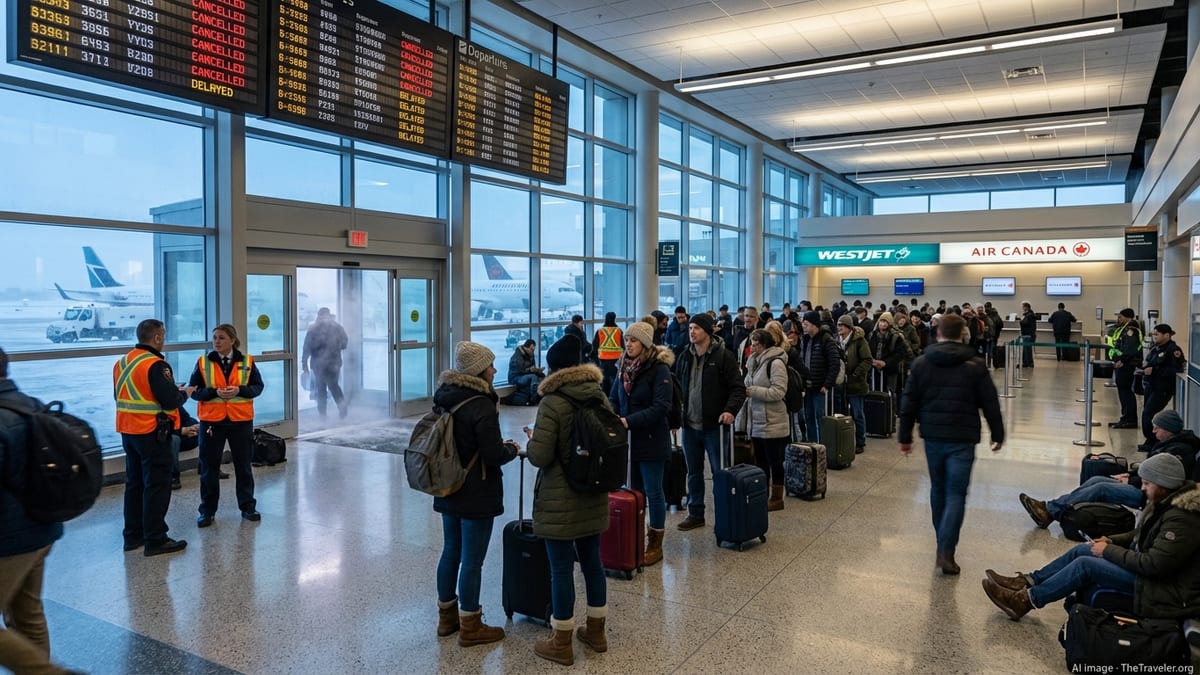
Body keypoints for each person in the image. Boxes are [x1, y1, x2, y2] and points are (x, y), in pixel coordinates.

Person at [983, 453, 1200, 622]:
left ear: (1163, 485)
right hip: (1153, 577)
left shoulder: (1182, 519)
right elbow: (1140, 535)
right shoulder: (1167, 503)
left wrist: (1107, 551)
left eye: (1147, 484)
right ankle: (1027, 581)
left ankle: (1025, 601)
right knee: (1083, 549)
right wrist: (1112, 541)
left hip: (1164, 590)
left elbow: (1154, 564)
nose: (1142, 489)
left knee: (1086, 565)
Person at [525, 335, 610, 665]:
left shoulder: (552, 402)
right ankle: (597, 631)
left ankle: (561, 641)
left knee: (561, 569)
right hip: (593, 491)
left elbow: (541, 455)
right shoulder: (598, 396)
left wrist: (533, 441)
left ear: (555, 368)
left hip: (560, 498)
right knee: (592, 563)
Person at [899, 313, 1005, 575]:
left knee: (938, 489)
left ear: (937, 332)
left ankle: (941, 543)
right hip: (963, 438)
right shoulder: (976, 365)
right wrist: (997, 433)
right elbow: (989, 402)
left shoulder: (922, 363)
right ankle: (947, 550)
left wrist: (905, 436)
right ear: (964, 333)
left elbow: (909, 401)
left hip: (934, 436)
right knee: (956, 493)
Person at [433, 341, 519, 646]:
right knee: (472, 559)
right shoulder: (480, 404)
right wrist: (511, 448)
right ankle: (471, 623)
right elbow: (493, 454)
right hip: (476, 491)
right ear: (479, 370)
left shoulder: (445, 397)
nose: (495, 369)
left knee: (450, 552)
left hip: (448, 485)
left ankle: (446, 618)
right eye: (491, 365)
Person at [0, 347, 75, 675]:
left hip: (8, 539)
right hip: (42, 528)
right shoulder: (28, 404)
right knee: (27, 615)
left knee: (24, 616)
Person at [1018, 410, 1200, 528]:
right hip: (1145, 485)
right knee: (1096, 480)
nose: (1153, 431)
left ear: (1168, 430)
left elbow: (1166, 481)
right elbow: (1150, 469)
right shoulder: (1167, 444)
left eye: (1157, 428)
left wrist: (1133, 481)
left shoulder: (1180, 451)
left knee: (1101, 488)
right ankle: (1051, 508)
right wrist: (1129, 474)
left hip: (1152, 495)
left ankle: (1050, 511)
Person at [115, 319, 194, 557]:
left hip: (128, 431)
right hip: (152, 432)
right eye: (164, 335)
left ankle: (132, 536)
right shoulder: (156, 365)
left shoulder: (123, 362)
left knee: (135, 483)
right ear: (157, 337)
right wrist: (183, 393)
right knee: (157, 485)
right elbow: (170, 401)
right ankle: (156, 538)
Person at [608, 321, 674, 565]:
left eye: (633, 340)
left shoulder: (659, 370)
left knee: (654, 492)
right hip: (630, 442)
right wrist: (612, 415)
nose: (629, 344)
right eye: (627, 340)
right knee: (634, 492)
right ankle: (634, 537)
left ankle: (655, 541)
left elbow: (661, 407)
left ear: (645, 344)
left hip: (651, 440)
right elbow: (615, 397)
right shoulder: (623, 368)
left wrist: (629, 421)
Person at [674, 312, 746, 531]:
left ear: (707, 331)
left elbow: (738, 388)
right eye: (690, 329)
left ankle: (724, 515)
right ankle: (696, 513)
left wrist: (730, 410)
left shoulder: (723, 356)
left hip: (714, 426)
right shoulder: (684, 356)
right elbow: (677, 387)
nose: (692, 332)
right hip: (690, 426)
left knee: (719, 473)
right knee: (693, 472)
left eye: (696, 328)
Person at [189, 324, 265, 528]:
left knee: (243, 466)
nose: (216, 342)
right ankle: (207, 511)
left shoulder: (247, 361)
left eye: (221, 338)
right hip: (212, 422)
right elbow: (193, 391)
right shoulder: (203, 362)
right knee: (209, 468)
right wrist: (214, 392)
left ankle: (248, 507)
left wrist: (239, 390)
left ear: (232, 340)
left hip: (240, 421)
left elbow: (258, 387)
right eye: (214, 338)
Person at [740, 329, 790, 511]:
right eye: (751, 344)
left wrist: (753, 391)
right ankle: (762, 494)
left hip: (773, 420)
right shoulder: (754, 362)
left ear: (765, 345)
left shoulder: (776, 363)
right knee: (760, 460)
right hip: (757, 419)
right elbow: (747, 382)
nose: (752, 348)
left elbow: (779, 391)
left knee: (774, 461)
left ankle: (777, 498)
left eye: (756, 344)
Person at [1139, 323, 1186, 451]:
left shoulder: (1173, 350)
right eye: (1153, 334)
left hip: (1162, 388)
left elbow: (1176, 370)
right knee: (1146, 413)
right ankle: (1150, 440)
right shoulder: (1156, 348)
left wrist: (1154, 371)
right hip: (1151, 385)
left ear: (1167, 335)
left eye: (1157, 334)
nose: (1154, 337)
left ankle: (1153, 441)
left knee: (1149, 413)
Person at [799, 311, 841, 444]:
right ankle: (813, 445)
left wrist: (827, 384)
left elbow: (834, 364)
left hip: (820, 387)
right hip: (808, 386)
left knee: (820, 417)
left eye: (806, 324)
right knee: (808, 417)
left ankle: (823, 446)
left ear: (814, 325)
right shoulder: (805, 340)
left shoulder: (826, 339)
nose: (804, 327)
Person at [301, 307, 349, 419]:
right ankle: (342, 410)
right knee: (334, 386)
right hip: (333, 363)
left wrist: (305, 364)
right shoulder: (337, 327)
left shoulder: (313, 328)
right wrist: (336, 348)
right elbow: (345, 343)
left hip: (319, 364)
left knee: (321, 388)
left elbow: (306, 348)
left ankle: (323, 415)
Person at [837, 314, 872, 453]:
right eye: (838, 325)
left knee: (857, 413)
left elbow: (867, 360)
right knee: (843, 414)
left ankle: (860, 442)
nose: (839, 328)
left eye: (841, 325)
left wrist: (856, 374)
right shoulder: (836, 340)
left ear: (848, 327)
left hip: (856, 383)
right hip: (841, 384)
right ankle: (844, 440)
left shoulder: (859, 341)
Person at [1108, 308, 1143, 429]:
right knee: (1123, 391)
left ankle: (1130, 419)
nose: (1118, 319)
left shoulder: (1131, 330)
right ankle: (1125, 417)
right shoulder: (1125, 329)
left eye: (1120, 317)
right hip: (1122, 363)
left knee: (1126, 392)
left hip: (1126, 365)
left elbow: (1130, 349)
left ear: (1128, 317)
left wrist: (1122, 360)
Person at [867, 312, 909, 398]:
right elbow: (868, 350)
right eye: (881, 321)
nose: (883, 324)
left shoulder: (896, 336)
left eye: (885, 322)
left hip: (890, 370)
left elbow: (900, 354)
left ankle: (891, 410)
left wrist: (885, 363)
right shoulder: (872, 335)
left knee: (890, 393)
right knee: (874, 392)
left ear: (890, 323)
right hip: (874, 369)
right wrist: (872, 361)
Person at [592, 312, 623, 396]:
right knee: (614, 380)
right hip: (616, 359)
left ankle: (605, 397)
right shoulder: (619, 331)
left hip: (603, 359)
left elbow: (595, 345)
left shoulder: (600, 331)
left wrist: (595, 359)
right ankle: (614, 397)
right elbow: (623, 345)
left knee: (603, 380)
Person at [504, 339, 544, 405]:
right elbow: (520, 370)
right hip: (515, 377)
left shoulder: (530, 354)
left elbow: (532, 367)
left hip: (525, 375)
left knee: (542, 375)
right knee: (533, 377)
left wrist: (537, 370)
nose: (533, 351)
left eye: (533, 349)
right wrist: (530, 370)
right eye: (531, 349)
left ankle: (540, 396)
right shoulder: (517, 356)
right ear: (526, 348)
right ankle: (533, 400)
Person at [170, 405, 200, 490]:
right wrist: (181, 431)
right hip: (163, 439)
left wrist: (192, 427)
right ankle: (174, 477)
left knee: (206, 427)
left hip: (182, 435)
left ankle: (209, 469)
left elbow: (187, 418)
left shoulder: (174, 402)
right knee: (173, 440)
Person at [1018, 302, 1037, 368]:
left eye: (1023, 306)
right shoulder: (1030, 314)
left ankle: (1029, 363)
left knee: (1027, 350)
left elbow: (1025, 323)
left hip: (1027, 334)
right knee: (1025, 349)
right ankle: (1025, 363)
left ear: (1026, 307)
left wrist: (1021, 321)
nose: (1022, 308)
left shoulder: (1029, 315)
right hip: (1028, 334)